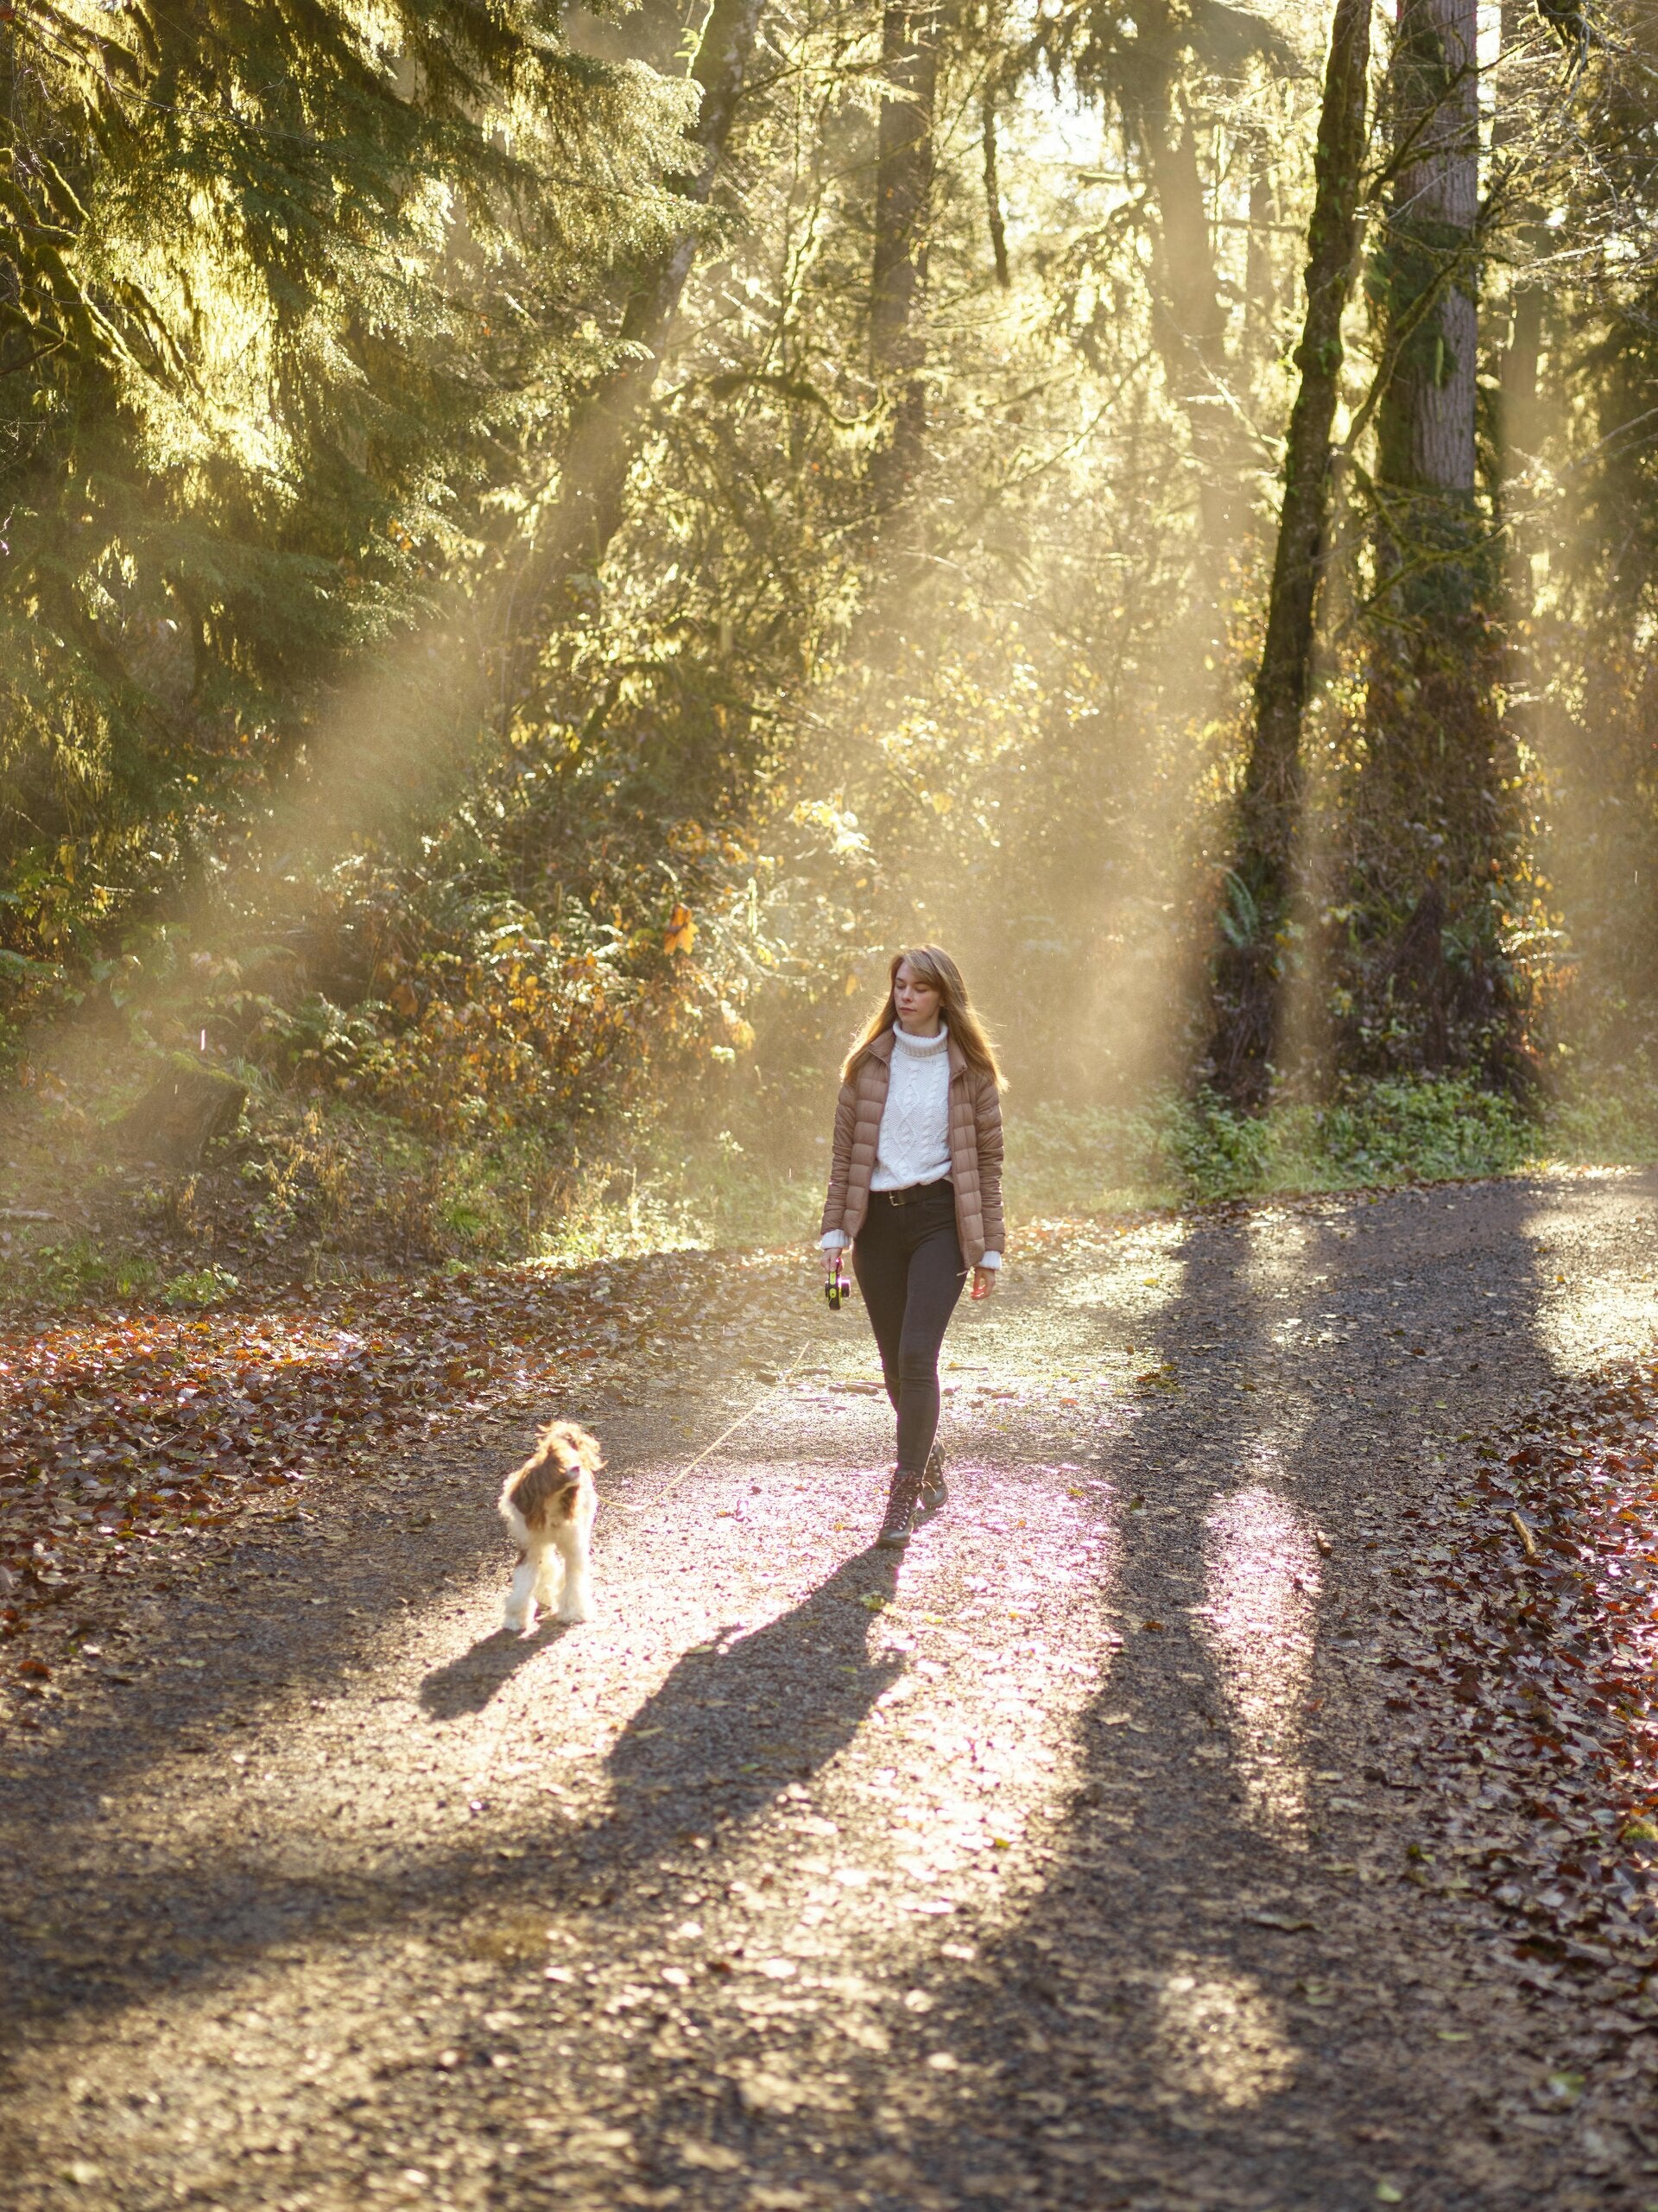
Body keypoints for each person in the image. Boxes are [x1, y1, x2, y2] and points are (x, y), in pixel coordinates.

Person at [818, 946, 1006, 1550]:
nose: (906, 995)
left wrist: (989, 1248)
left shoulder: (970, 1073)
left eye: (920, 987)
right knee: (894, 1364)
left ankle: (902, 1488)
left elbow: (990, 1165)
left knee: (918, 1355)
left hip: (939, 1223)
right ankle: (928, 1451)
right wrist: (834, 1232)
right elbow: (845, 1157)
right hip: (878, 1225)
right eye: (900, 984)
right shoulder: (867, 1066)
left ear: (943, 996)